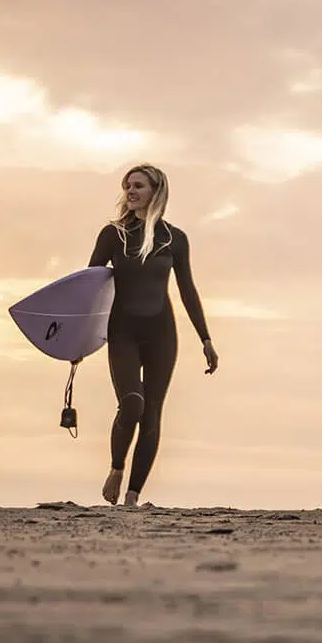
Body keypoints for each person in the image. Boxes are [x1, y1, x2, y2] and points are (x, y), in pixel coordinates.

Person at [88, 164, 217, 507]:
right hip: (123, 331)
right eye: (127, 186)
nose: (130, 191)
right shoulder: (113, 235)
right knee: (132, 403)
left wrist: (205, 338)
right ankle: (117, 468)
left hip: (162, 333)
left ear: (156, 192)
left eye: (138, 186)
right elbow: (89, 286)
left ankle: (133, 496)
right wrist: (75, 338)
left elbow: (187, 290)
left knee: (152, 413)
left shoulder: (175, 239)